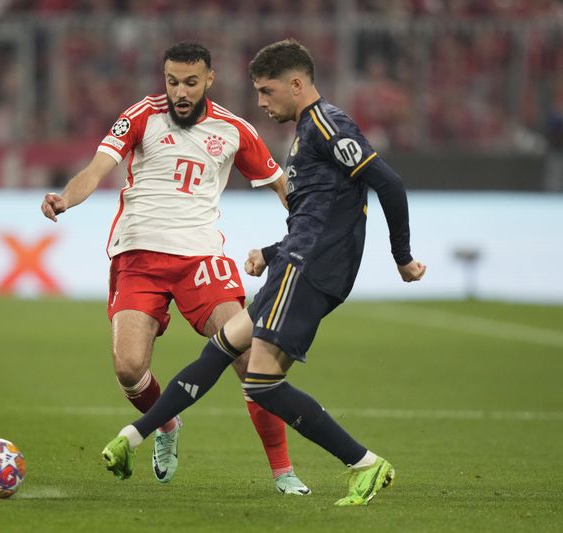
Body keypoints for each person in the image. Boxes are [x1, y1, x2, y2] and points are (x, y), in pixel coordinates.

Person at [101, 39, 427, 507]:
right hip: (294, 264)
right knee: (220, 349)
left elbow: (388, 183)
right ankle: (132, 437)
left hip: (309, 271)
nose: (260, 101)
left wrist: (402, 256)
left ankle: (365, 464)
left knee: (261, 382)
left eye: (267, 91)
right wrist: (273, 252)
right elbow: (322, 213)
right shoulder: (308, 134)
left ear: (297, 84)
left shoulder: (327, 126)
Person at [41, 42, 311, 494]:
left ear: (209, 79)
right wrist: (65, 198)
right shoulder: (141, 116)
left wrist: (311, 228)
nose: (179, 92)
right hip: (138, 258)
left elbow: (281, 185)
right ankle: (166, 426)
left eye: (190, 82)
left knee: (250, 357)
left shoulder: (234, 130)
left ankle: (283, 472)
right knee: (129, 369)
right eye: (172, 82)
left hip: (201, 260)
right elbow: (96, 169)